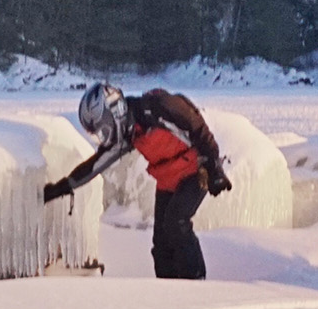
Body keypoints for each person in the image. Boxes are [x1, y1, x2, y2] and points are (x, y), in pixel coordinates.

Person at [41, 81, 234, 280]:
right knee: (160, 245)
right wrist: (61, 187)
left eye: (103, 130)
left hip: (196, 170)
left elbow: (197, 127)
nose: (105, 138)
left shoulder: (158, 107)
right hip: (168, 179)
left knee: (176, 223)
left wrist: (214, 168)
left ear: (115, 113)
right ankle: (168, 290)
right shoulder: (127, 133)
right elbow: (95, 165)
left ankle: (196, 283)